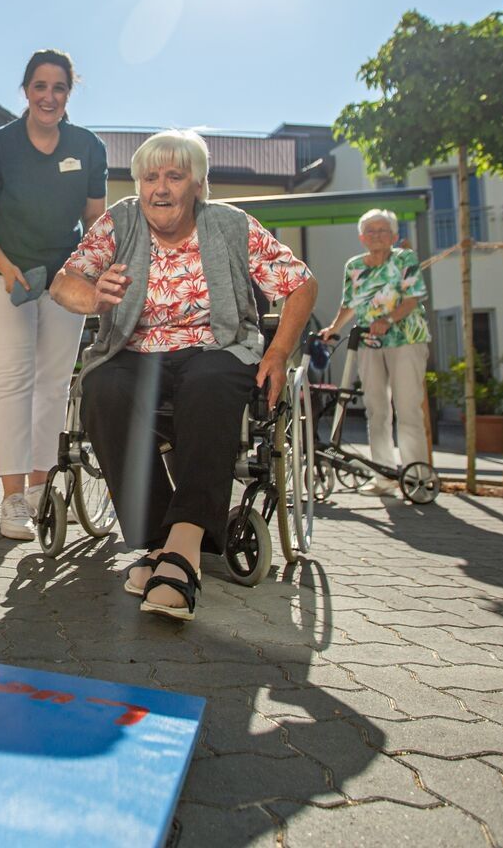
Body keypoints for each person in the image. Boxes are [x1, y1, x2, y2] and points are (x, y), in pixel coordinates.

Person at [50, 129, 317, 621]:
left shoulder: (231, 225)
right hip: (135, 351)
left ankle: (185, 542)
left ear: (198, 183)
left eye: (175, 175)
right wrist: (93, 297)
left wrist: (278, 354)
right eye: (150, 177)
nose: (161, 188)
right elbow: (63, 283)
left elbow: (300, 284)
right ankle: (159, 542)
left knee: (209, 384)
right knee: (102, 387)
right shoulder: (120, 221)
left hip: (217, 347)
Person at [0, 49, 108, 539]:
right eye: (40, 86)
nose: (49, 96)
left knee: (53, 384)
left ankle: (41, 491)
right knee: (13, 381)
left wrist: (89, 274)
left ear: (69, 93)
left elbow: (94, 222)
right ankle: (10, 501)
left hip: (63, 278)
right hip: (0, 275)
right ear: (25, 90)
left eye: (59, 87)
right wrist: (6, 267)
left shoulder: (87, 147)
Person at [318, 209, 431, 494]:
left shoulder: (405, 259)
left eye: (383, 231)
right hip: (369, 343)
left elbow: (413, 298)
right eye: (370, 231)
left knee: (407, 410)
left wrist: (388, 320)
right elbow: (350, 303)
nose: (376, 235)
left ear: (394, 236)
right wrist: (333, 327)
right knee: (376, 410)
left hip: (407, 339)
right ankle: (384, 477)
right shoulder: (354, 266)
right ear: (361, 237)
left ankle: (417, 476)